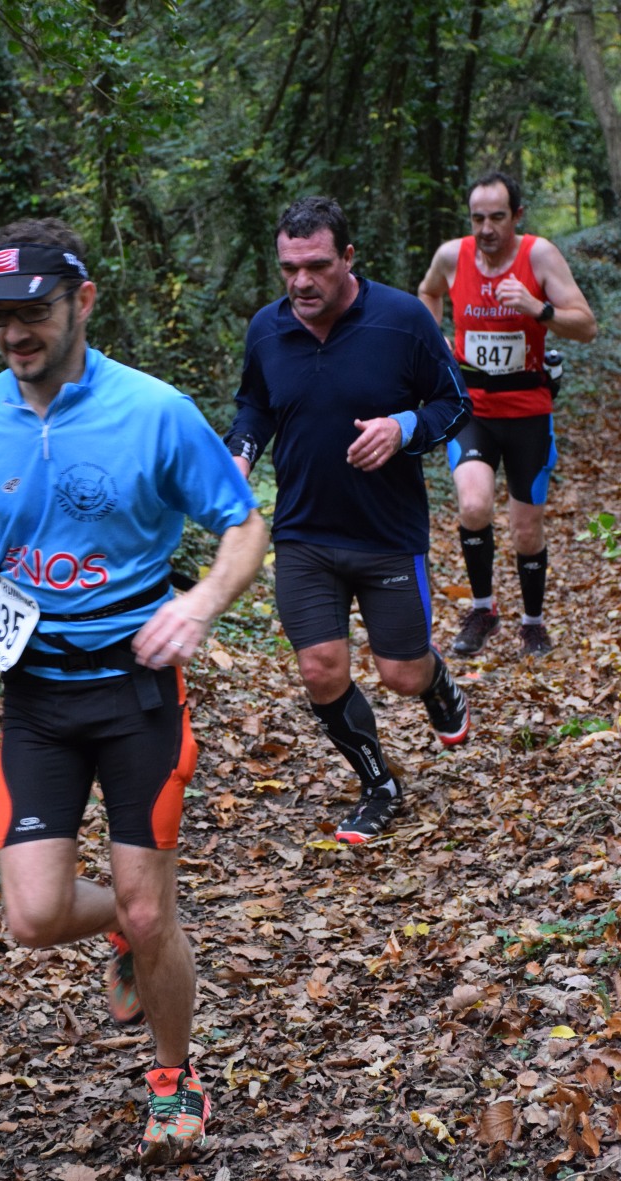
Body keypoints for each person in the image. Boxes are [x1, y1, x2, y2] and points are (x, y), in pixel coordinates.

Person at [0, 217, 268, 1165]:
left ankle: (174, 1078)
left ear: (83, 302)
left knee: (151, 910)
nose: (14, 333)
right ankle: (134, 932)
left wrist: (200, 603)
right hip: (36, 697)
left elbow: (243, 525)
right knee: (33, 919)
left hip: (137, 693)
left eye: (33, 312)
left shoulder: (155, 411)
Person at [224, 195, 472, 848]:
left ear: (349, 257)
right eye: (289, 268)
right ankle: (378, 785)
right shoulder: (266, 329)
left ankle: (437, 682)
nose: (301, 281)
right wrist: (239, 455)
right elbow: (255, 406)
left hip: (387, 532)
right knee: (320, 670)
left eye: (317, 266)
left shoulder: (403, 319)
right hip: (303, 531)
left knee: (401, 674)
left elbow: (455, 403)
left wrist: (403, 426)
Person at [418, 170, 597, 657]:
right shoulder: (451, 256)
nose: (486, 228)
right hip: (472, 408)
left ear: (517, 215)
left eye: (497, 217)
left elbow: (586, 326)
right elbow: (428, 292)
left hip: (527, 411)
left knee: (526, 530)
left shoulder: (539, 256)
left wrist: (538, 308)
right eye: (477, 218)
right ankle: (484, 611)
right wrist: (435, 341)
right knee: (474, 506)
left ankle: (533, 623)